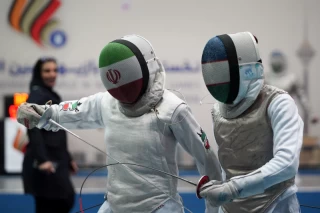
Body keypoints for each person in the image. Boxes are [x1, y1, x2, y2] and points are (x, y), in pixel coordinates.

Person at [17, 35, 222, 213]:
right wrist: (42, 113)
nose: (123, 93)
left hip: (160, 207)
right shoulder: (107, 102)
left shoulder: (173, 108)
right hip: (114, 205)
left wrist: (214, 207)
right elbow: (73, 111)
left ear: (146, 68)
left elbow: (205, 157)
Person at [198, 32, 303, 213]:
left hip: (276, 206)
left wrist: (232, 188)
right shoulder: (218, 110)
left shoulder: (278, 103)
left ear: (246, 69)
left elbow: (287, 164)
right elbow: (228, 166)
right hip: (229, 208)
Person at [22, 57, 78, 213]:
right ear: (39, 73)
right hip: (45, 162)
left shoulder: (49, 95)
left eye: (55, 70)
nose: (52, 74)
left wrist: (68, 158)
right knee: (55, 202)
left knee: (63, 200)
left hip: (56, 158)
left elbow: (57, 133)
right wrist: (43, 160)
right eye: (47, 70)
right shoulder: (36, 97)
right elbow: (33, 130)